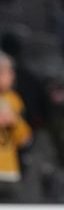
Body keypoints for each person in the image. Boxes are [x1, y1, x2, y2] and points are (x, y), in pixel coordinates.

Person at [0, 51, 33, 200]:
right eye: (8, 72)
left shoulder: (13, 100)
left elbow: (25, 139)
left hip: (9, 172)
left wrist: (14, 122)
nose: (12, 76)